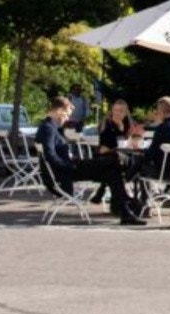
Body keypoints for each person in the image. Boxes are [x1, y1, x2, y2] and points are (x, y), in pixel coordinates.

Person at [35, 96, 145, 225]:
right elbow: (50, 155)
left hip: (70, 167)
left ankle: (125, 212)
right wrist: (69, 166)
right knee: (114, 159)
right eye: (67, 115)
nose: (68, 118)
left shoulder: (50, 127)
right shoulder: (48, 128)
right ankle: (126, 198)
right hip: (66, 171)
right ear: (60, 111)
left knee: (112, 173)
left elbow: (53, 154)